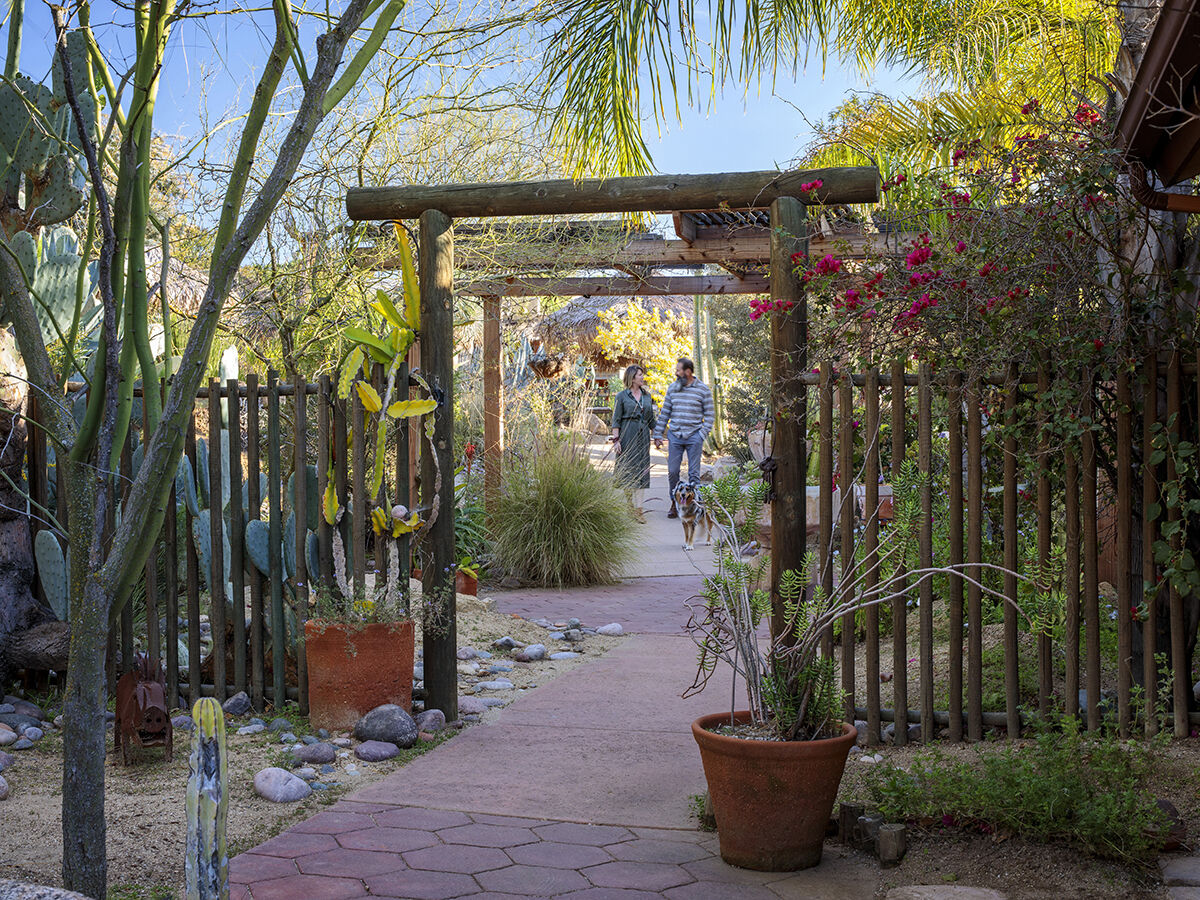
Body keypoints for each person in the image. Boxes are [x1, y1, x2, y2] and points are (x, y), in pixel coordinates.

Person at [653, 358, 714, 518]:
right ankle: (675, 503)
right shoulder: (673, 388)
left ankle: (693, 506)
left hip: (694, 436)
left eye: (679, 369)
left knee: (694, 474)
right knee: (673, 471)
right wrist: (658, 434)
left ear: (688, 372)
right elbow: (665, 412)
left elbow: (709, 415)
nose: (676, 372)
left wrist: (701, 434)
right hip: (675, 436)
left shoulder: (703, 390)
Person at [610, 364, 656, 523]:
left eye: (642, 375)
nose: (643, 377)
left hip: (643, 437)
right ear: (632, 378)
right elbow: (616, 420)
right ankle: (630, 505)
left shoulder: (647, 396)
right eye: (639, 375)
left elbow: (651, 419)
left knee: (642, 473)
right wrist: (616, 440)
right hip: (627, 436)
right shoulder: (621, 396)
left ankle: (639, 510)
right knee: (627, 471)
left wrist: (657, 435)